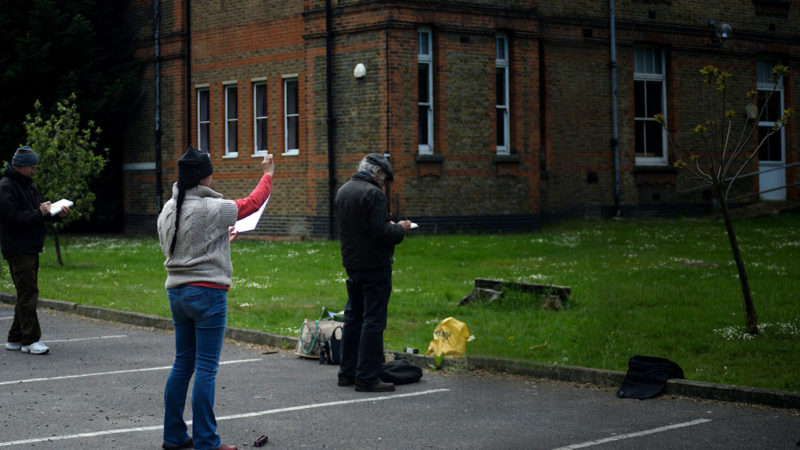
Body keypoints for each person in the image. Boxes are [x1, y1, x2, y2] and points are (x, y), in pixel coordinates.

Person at [157, 146, 274, 450]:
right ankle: (207, 441)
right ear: (205, 176)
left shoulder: (169, 208)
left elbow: (186, 245)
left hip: (177, 293)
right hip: (207, 294)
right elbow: (252, 203)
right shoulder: (213, 207)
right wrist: (267, 175)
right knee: (207, 368)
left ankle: (174, 436)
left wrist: (222, 237)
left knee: (182, 364)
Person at [335, 153, 411, 392]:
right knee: (373, 321)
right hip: (375, 265)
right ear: (377, 173)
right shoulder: (374, 194)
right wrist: (400, 228)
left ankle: (346, 372)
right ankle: (367, 376)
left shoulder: (344, 190)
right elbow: (382, 233)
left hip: (352, 262)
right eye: (384, 178)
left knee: (353, 318)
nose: (383, 183)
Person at [1, 146, 69, 355]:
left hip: (30, 246)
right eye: (31, 167)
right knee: (29, 292)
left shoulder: (28, 184)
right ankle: (31, 339)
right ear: (20, 166)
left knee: (25, 292)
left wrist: (55, 213)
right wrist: (38, 212)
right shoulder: (6, 187)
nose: (34, 171)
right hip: (17, 247)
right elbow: (12, 218)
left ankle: (15, 337)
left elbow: (36, 213)